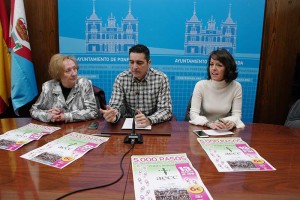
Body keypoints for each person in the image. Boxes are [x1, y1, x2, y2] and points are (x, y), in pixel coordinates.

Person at [100, 44, 172, 127]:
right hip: (128, 125)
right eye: (131, 62)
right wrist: (113, 116)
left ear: (149, 63)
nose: (134, 67)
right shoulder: (121, 78)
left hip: (153, 124)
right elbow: (115, 106)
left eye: (139, 63)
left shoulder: (161, 79)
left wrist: (149, 120)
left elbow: (166, 110)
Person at [30, 54, 98, 123]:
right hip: (56, 130)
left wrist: (65, 116)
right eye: (68, 70)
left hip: (78, 130)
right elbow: (34, 110)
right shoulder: (48, 86)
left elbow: (93, 112)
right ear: (58, 73)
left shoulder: (84, 84)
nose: (74, 73)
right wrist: (49, 116)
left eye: (74, 68)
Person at [189, 48, 245, 130]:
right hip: (203, 127)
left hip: (223, 129)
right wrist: (209, 124)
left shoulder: (236, 86)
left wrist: (231, 121)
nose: (213, 68)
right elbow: (193, 114)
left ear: (228, 69)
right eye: (211, 64)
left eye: (219, 65)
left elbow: (237, 115)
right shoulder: (200, 85)